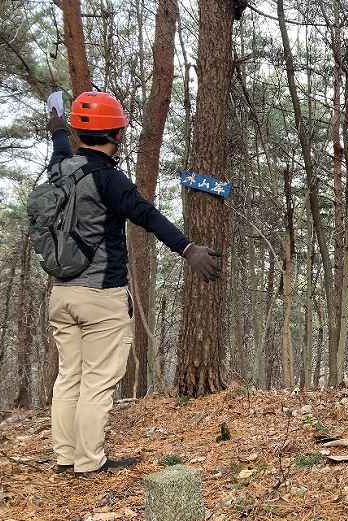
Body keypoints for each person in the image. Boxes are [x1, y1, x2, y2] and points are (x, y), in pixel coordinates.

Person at [46, 91, 220, 476]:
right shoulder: (109, 179)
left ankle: (65, 456)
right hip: (101, 298)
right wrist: (189, 249)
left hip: (61, 294)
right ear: (118, 133)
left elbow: (59, 141)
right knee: (96, 382)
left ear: (78, 132)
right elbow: (148, 216)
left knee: (68, 376)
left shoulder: (60, 167)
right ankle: (89, 462)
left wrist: (58, 122)